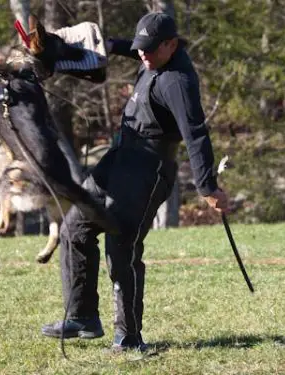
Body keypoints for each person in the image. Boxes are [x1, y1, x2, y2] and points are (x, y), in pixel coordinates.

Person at [40, 12, 230, 352]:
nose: (142, 54)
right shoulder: (154, 55)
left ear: (171, 45)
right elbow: (136, 48)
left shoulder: (177, 82)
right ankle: (83, 316)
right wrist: (111, 46)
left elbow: (196, 134)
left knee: (121, 246)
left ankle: (128, 338)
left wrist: (207, 187)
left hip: (148, 169)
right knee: (74, 230)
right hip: (118, 158)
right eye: (140, 46)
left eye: (149, 48)